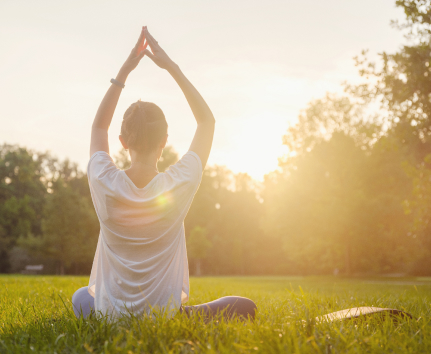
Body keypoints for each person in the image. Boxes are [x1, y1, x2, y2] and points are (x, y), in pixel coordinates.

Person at [72, 27, 256, 321]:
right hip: (165, 319)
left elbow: (98, 129)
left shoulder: (103, 181)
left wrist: (125, 71)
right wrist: (171, 67)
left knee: (81, 296)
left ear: (123, 142)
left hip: (110, 319)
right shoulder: (178, 184)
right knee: (244, 306)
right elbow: (206, 122)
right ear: (164, 141)